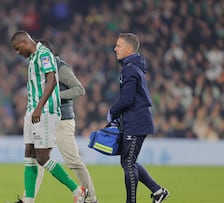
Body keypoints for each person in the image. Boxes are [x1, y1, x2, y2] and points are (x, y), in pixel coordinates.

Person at [15, 39, 98, 203]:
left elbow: (79, 89)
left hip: (62, 121)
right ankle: (27, 199)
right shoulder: (37, 68)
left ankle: (90, 199)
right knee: (38, 161)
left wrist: (55, 97)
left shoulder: (61, 67)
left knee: (73, 161)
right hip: (45, 119)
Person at [107, 33, 169, 203]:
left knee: (128, 164)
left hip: (136, 122)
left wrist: (112, 112)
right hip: (134, 121)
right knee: (128, 162)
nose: (115, 49)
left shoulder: (130, 69)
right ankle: (157, 191)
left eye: (118, 46)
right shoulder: (133, 67)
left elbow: (128, 99)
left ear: (129, 49)